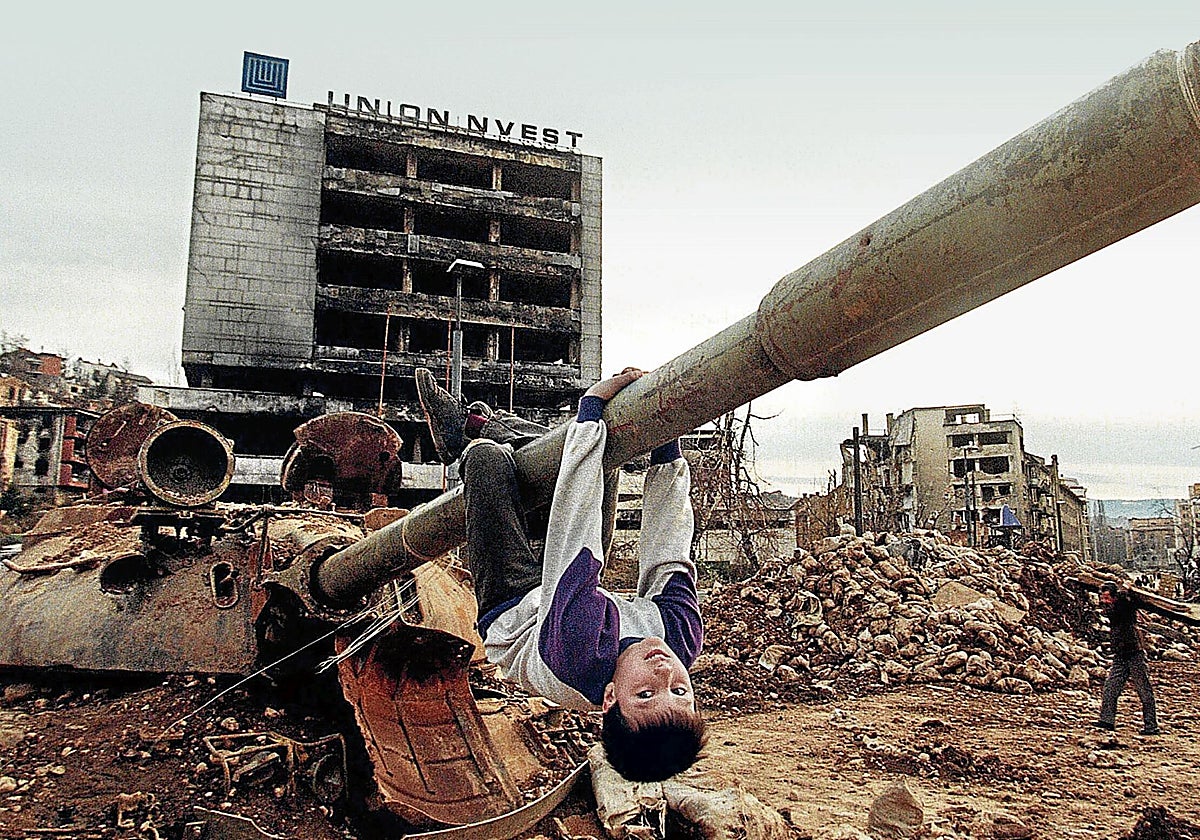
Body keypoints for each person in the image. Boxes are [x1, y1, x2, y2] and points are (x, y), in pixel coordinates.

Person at [414, 367, 706, 781]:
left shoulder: (579, 648)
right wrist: (666, 450)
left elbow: (575, 534)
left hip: (516, 611)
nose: (665, 673)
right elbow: (669, 549)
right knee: (606, 462)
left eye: (645, 694)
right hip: (575, 592)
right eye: (680, 691)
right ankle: (479, 423)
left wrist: (590, 406)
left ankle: (470, 435)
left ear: (609, 698)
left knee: (488, 460)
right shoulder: (680, 638)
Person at [1094, 581, 1160, 736]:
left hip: (1135, 653)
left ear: (1114, 597)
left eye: (1106, 598)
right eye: (1102, 598)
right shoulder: (1114, 607)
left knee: (1144, 690)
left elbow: (1125, 602)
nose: (1104, 601)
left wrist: (1125, 589)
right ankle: (1106, 721)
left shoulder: (1124, 606)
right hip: (1120, 654)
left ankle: (1151, 726)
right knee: (1111, 688)